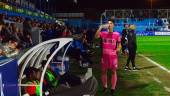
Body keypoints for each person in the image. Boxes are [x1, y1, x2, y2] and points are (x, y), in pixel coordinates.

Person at [95, 19, 121, 95]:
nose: (109, 24)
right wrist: (100, 28)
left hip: (113, 57)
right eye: (108, 23)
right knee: (103, 71)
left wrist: (118, 49)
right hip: (104, 57)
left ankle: (113, 88)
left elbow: (119, 44)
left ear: (113, 25)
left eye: (111, 23)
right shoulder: (103, 33)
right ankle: (105, 86)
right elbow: (96, 36)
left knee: (113, 72)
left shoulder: (117, 34)